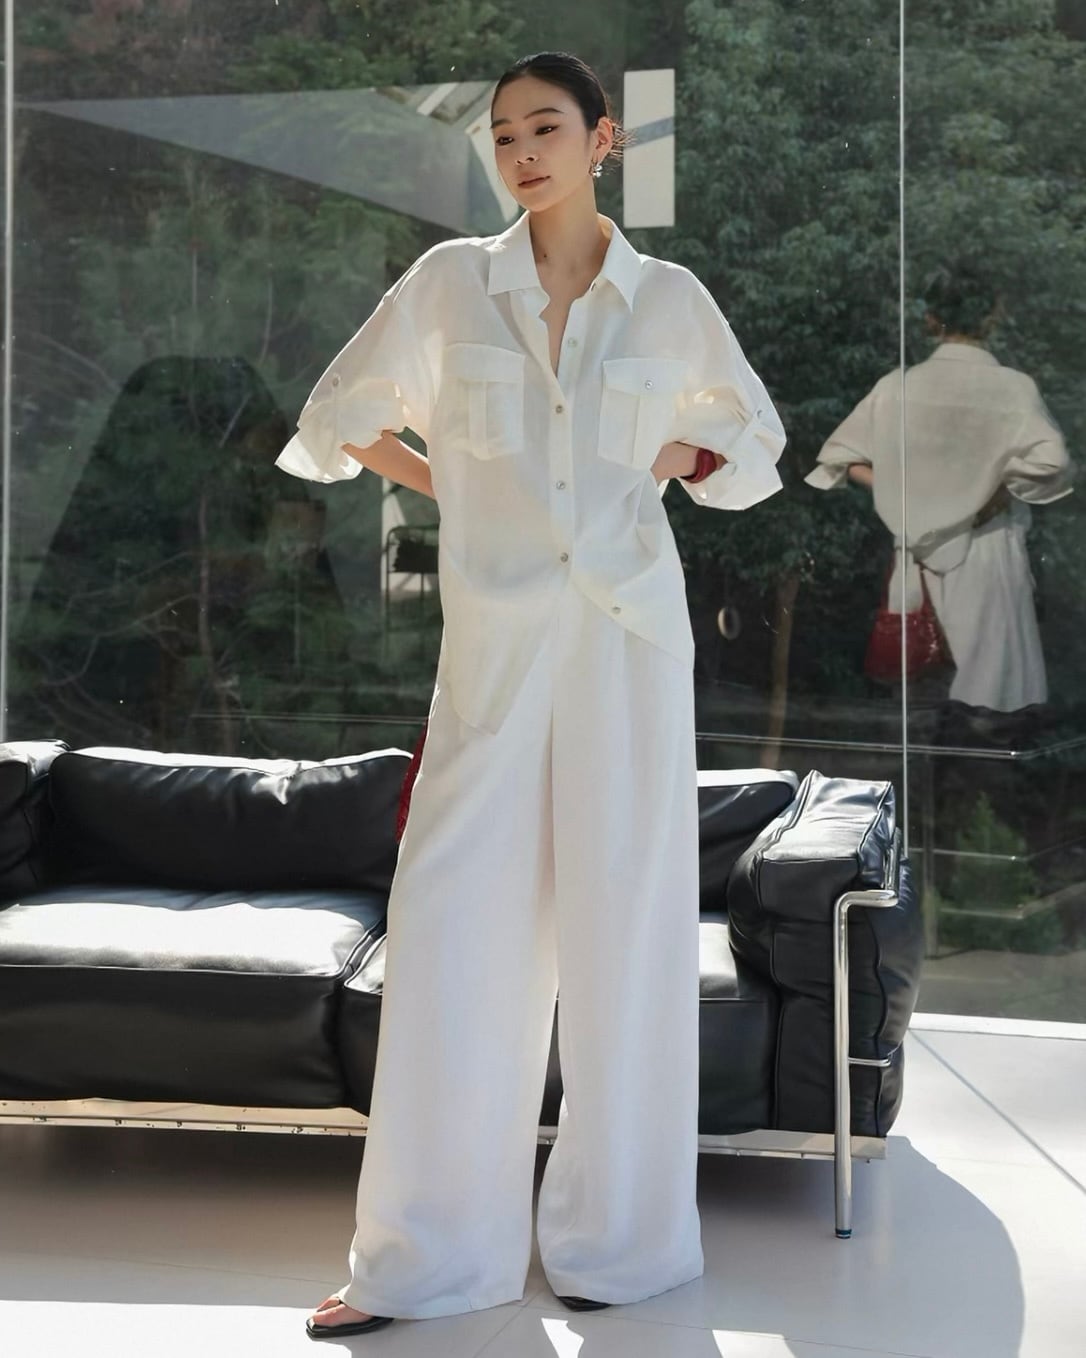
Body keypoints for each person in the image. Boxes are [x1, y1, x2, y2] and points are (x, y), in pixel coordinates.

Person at [275, 50, 786, 1340]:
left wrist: (676, 453)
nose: (521, 153)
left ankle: (622, 1247)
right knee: (453, 936)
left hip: (626, 644)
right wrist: (457, 484)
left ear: (603, 139)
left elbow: (755, 446)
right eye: (502, 134)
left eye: (546, 128)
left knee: (630, 935)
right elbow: (338, 418)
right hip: (495, 658)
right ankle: (421, 1260)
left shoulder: (666, 299)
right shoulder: (451, 284)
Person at [805, 265, 1072, 714]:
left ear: (931, 319)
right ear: (993, 316)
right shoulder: (1013, 388)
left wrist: (911, 493)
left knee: (920, 708)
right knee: (992, 706)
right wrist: (990, 494)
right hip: (987, 554)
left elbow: (841, 459)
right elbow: (1052, 463)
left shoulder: (897, 387)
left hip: (917, 560)